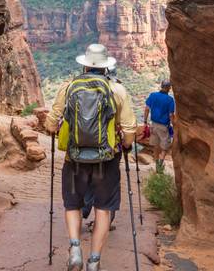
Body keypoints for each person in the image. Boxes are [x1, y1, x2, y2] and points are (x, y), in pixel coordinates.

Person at [45, 43, 136, 271]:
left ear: (84, 65)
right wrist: (124, 145)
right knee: (104, 209)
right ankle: (94, 261)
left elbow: (50, 123)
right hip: (106, 161)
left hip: (74, 159)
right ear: (105, 67)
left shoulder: (68, 87)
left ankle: (75, 248)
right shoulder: (117, 90)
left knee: (72, 205)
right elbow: (129, 131)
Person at [144, 80, 176, 169]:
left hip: (153, 125)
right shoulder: (170, 100)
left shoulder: (153, 95)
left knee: (156, 146)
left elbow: (147, 109)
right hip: (163, 127)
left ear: (161, 86)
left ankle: (157, 164)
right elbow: (171, 115)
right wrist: (174, 125)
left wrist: (145, 122)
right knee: (165, 148)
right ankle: (159, 167)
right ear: (169, 88)